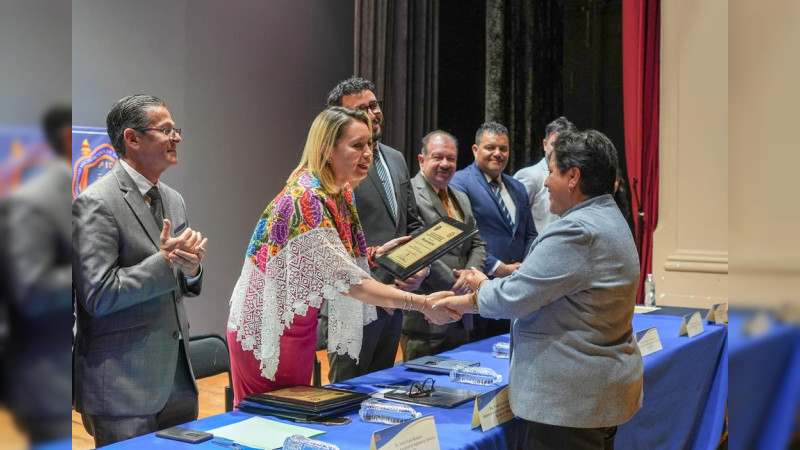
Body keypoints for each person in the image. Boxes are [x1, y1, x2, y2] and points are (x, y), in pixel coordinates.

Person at [226, 107, 456, 404]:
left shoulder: (338, 190)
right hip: (269, 329)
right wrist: (422, 303)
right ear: (327, 149)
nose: (368, 154)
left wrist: (371, 255)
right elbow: (350, 282)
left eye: (370, 145)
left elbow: (320, 259)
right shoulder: (306, 196)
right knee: (264, 422)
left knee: (293, 417)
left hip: (298, 327)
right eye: (357, 145)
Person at [434, 129, 644, 450]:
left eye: (551, 171)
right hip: (594, 392)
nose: (545, 182)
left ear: (573, 177)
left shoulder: (577, 231)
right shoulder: (608, 216)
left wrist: (465, 300)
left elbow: (515, 296)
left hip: (570, 402)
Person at [73, 95, 208, 447]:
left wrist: (191, 269)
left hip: (177, 382)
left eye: (175, 129)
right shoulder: (96, 203)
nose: (176, 137)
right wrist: (164, 263)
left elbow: (180, 278)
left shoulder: (173, 199)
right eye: (166, 130)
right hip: (123, 389)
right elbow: (98, 295)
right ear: (132, 139)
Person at [322, 77, 428, 382]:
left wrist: (418, 269)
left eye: (374, 105)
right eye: (361, 110)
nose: (372, 113)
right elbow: (334, 243)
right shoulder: (334, 169)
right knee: (346, 396)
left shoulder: (395, 158)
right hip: (352, 302)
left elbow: (413, 225)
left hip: (393, 302)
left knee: (380, 392)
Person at [1, 105, 72, 444]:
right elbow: (32, 291)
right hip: (49, 380)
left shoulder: (90, 194)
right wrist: (90, 269)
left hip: (93, 374)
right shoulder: (33, 202)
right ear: (68, 137)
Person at [402, 131, 486, 361]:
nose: (445, 164)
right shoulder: (408, 193)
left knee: (458, 387)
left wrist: (470, 276)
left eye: (451, 159)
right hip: (426, 316)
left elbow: (477, 243)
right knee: (421, 390)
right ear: (422, 160)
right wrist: (458, 286)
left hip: (462, 316)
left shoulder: (461, 197)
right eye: (438, 157)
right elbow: (416, 247)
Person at [450, 121, 537, 340]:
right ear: (475, 149)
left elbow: (530, 234)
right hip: (479, 287)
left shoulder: (517, 187)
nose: (497, 153)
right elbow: (463, 238)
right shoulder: (459, 182)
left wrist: (523, 268)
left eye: (503, 148)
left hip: (516, 288)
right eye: (490, 147)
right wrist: (500, 268)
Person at [514, 116, 576, 232]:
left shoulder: (575, 177)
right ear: (544, 144)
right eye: (554, 144)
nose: (558, 150)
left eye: (563, 145)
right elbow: (512, 219)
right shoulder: (529, 175)